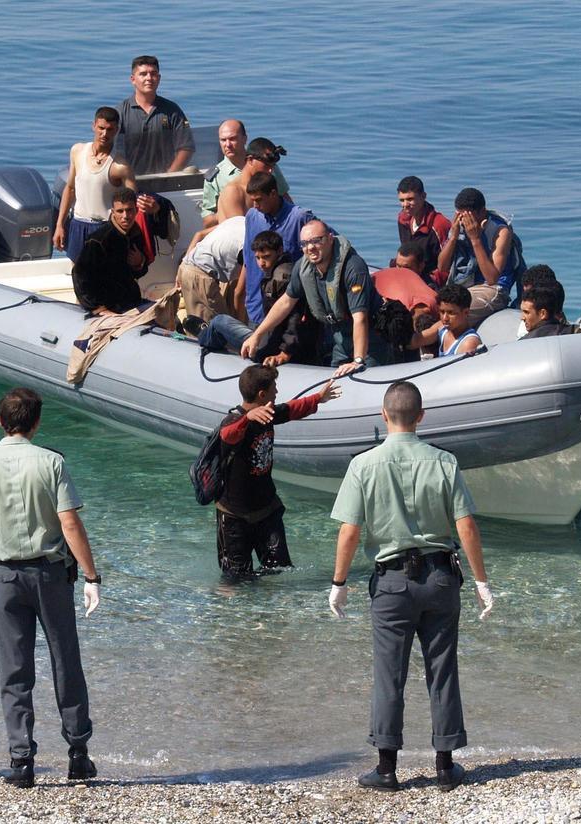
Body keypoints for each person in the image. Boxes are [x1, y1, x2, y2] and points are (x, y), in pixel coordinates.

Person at [328, 380, 493, 793]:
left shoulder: (363, 465)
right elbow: (466, 525)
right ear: (421, 417)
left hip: (392, 582)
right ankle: (445, 766)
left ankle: (386, 769)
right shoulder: (444, 462)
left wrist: (339, 583)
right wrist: (481, 581)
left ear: (384, 416)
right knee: (443, 670)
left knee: (389, 674)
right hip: (440, 577)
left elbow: (350, 531)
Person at [0, 387, 102, 789]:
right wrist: (92, 577)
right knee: (65, 662)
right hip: (50, 575)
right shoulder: (52, 463)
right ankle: (78, 754)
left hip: (4, 576)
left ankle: (21, 762)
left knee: (14, 670)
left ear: (0, 422)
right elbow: (70, 525)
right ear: (37, 424)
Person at [214, 366, 339, 578]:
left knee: (279, 570)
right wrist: (248, 418)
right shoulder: (233, 422)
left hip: (266, 511)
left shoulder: (268, 414)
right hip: (234, 516)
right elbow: (226, 436)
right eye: (274, 388)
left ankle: (275, 610)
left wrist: (319, 398)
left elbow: (290, 409)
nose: (277, 392)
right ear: (261, 394)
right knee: (236, 580)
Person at [242, 221, 393, 376]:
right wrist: (257, 335)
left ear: (330, 239)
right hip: (339, 335)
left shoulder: (353, 268)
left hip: (371, 335)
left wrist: (358, 360)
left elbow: (360, 318)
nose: (310, 247)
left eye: (316, 241)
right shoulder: (303, 267)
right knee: (335, 379)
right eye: (305, 243)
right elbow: (285, 302)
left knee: (367, 376)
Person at [199, 231, 321, 366]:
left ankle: (203, 335)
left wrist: (285, 352)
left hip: (270, 346)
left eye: (266, 257)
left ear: (279, 251)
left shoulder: (281, 277)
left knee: (219, 321)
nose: (261, 263)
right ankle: (207, 332)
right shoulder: (282, 270)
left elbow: (295, 317)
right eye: (257, 258)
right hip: (272, 337)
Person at [53, 107, 137, 262]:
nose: (104, 134)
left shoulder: (120, 166)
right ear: (94, 126)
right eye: (101, 128)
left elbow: (132, 206)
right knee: (78, 275)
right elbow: (70, 189)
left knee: (104, 279)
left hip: (105, 228)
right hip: (78, 224)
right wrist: (59, 225)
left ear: (117, 130)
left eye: (110, 130)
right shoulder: (77, 151)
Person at [437, 187, 525, 325]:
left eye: (469, 216)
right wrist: (453, 238)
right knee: (436, 308)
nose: (465, 221)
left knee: (454, 313)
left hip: (493, 289)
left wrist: (475, 239)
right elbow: (442, 267)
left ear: (482, 211)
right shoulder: (458, 228)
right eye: (461, 216)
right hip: (466, 286)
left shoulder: (500, 231)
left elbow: (492, 278)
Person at [241, 172, 318, 325]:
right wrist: (241, 294)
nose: (255, 205)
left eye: (259, 200)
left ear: (273, 194)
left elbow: (329, 243)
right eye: (252, 201)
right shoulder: (252, 216)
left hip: (289, 309)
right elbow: (248, 259)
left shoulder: (299, 218)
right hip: (257, 307)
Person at [71, 187, 151, 315]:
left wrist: (139, 263)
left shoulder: (135, 233)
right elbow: (79, 275)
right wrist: (98, 308)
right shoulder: (99, 240)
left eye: (129, 210)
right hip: (108, 306)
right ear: (113, 212)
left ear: (136, 210)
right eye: (120, 211)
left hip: (130, 301)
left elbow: (139, 273)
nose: (125, 216)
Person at [115, 55, 194, 175]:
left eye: (153, 74)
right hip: (132, 183)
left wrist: (169, 175)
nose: (149, 78)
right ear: (133, 79)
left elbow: (186, 147)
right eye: (143, 74)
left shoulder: (172, 110)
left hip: (166, 184)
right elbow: (114, 151)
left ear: (159, 78)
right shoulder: (120, 112)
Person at [200, 124, 292, 227]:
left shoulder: (268, 165)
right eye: (223, 140)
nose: (228, 144)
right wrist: (227, 208)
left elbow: (286, 200)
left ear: (245, 139)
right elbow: (207, 221)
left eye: (232, 139)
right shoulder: (215, 177)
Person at [177, 215, 245, 328]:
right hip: (200, 276)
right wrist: (241, 328)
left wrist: (183, 263)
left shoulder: (238, 219)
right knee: (219, 332)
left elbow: (199, 234)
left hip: (188, 267)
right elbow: (240, 293)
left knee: (199, 329)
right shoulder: (250, 243)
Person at [395, 176, 452, 285]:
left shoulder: (440, 225)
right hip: (410, 272)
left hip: (432, 281)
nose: (405, 205)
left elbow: (447, 268)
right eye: (402, 200)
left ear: (423, 196)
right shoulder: (403, 218)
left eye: (410, 199)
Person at [407, 284, 482, 357]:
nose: (445, 318)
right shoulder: (443, 327)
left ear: (466, 312)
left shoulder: (468, 343)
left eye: (451, 313)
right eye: (442, 312)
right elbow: (415, 341)